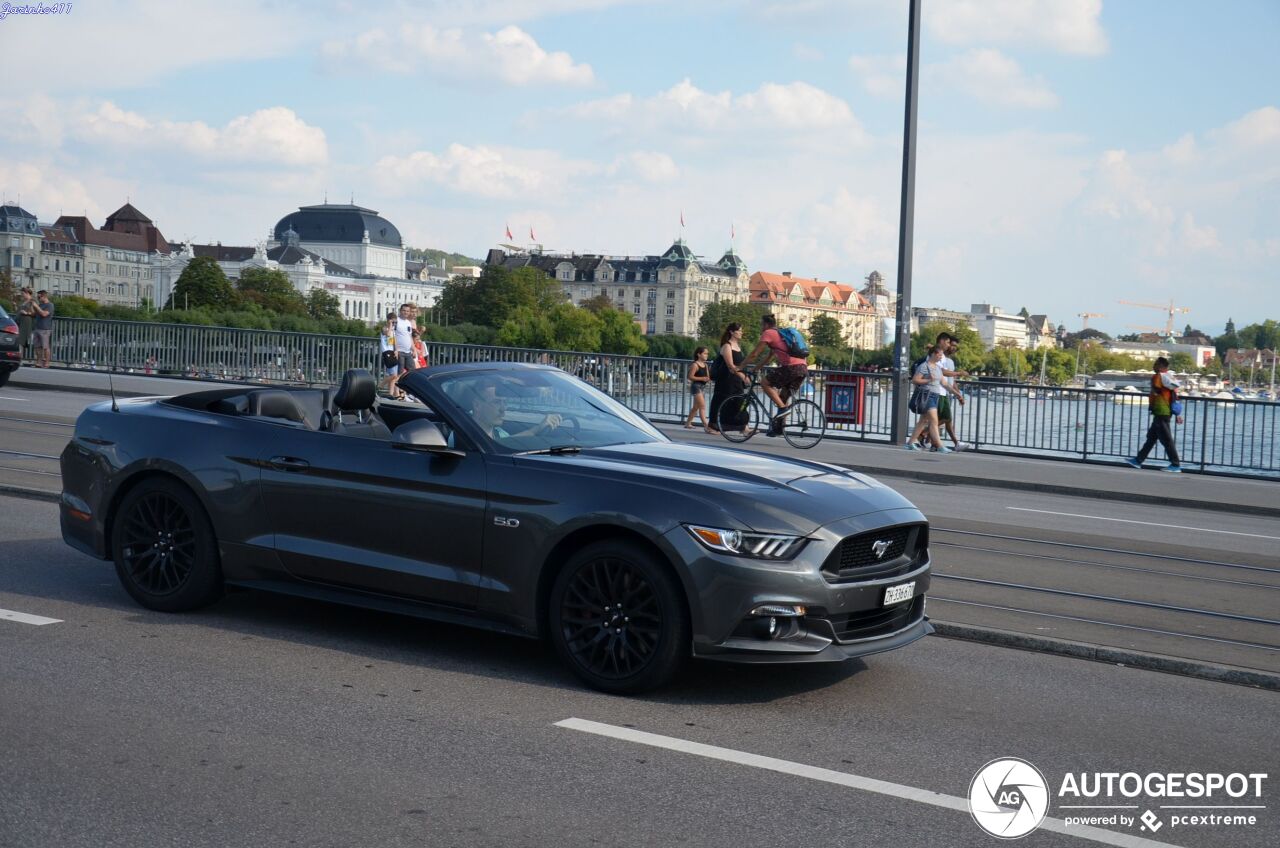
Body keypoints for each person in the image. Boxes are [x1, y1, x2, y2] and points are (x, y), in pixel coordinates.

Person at [741, 313, 808, 437]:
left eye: (761, 324)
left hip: (791, 368)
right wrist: (756, 368)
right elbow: (769, 356)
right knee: (782, 398)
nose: (761, 327)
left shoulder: (768, 333)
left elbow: (754, 354)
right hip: (802, 368)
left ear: (766, 324)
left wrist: (740, 367)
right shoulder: (780, 334)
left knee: (765, 383)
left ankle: (783, 409)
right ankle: (778, 428)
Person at [1125, 356, 1184, 473]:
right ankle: (1138, 460)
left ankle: (1175, 464)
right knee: (1151, 438)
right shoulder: (1170, 378)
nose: (1153, 366)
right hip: (1165, 410)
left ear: (1161, 366)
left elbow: (1156, 390)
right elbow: (1174, 396)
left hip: (1161, 411)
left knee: (1167, 440)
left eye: (1155, 364)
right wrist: (1177, 413)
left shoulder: (1157, 377)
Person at [906, 345, 963, 452]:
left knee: (923, 421)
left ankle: (910, 443)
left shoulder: (937, 368)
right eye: (940, 355)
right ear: (933, 354)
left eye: (942, 355)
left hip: (934, 396)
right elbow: (915, 380)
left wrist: (956, 393)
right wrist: (928, 380)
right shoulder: (924, 366)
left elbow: (944, 383)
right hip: (927, 395)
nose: (941, 357)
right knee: (934, 420)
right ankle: (940, 446)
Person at [471, 382, 561, 442]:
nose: (503, 409)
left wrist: (539, 428)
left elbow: (511, 441)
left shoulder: (499, 433)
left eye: (504, 402)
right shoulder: (461, 436)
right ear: (477, 405)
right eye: (497, 402)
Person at [706, 323, 747, 435]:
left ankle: (743, 427)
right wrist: (742, 376)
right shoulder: (726, 346)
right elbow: (730, 366)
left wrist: (746, 374)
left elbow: (739, 364)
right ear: (732, 332)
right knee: (720, 401)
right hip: (726, 379)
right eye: (739, 330)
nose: (741, 332)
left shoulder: (738, 347)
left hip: (736, 380)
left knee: (739, 402)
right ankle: (712, 426)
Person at [683, 346, 711, 429]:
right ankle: (706, 426)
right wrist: (702, 378)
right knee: (702, 406)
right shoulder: (695, 365)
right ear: (699, 354)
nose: (707, 355)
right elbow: (690, 377)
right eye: (705, 353)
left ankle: (688, 423)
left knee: (696, 407)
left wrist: (708, 378)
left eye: (707, 354)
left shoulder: (705, 365)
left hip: (702, 387)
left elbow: (707, 376)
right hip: (696, 387)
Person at [31, 290, 54, 368]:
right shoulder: (40, 305)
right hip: (37, 327)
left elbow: (44, 314)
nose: (38, 298)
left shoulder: (50, 305)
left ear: (44, 296)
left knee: (45, 347)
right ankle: (39, 362)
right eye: (37, 296)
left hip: (45, 329)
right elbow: (33, 314)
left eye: (39, 296)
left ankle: (47, 363)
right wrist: (33, 306)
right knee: (37, 347)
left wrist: (37, 306)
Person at [16, 288, 35, 361]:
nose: (22, 295)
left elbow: (35, 313)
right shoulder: (23, 301)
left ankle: (20, 358)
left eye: (23, 294)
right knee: (19, 340)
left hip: (26, 323)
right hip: (19, 322)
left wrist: (27, 313)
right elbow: (18, 311)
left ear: (27, 293)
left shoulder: (32, 301)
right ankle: (19, 357)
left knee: (22, 340)